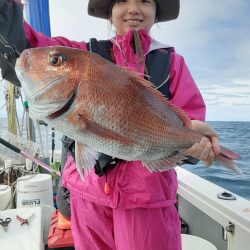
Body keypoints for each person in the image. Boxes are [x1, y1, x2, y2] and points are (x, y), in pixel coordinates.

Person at [0, 0, 221, 249]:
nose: (133, 9)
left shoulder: (173, 63)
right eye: (122, 1)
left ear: (157, 12)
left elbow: (187, 120)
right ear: (109, 13)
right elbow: (29, 45)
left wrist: (193, 143)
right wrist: (6, 10)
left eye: (145, 1)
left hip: (147, 199)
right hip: (88, 197)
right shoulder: (86, 54)